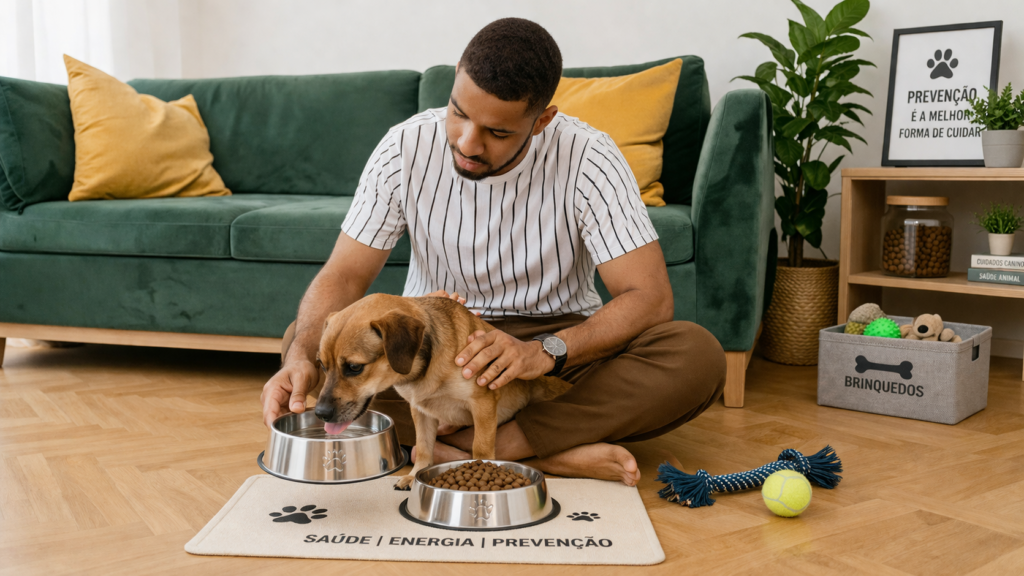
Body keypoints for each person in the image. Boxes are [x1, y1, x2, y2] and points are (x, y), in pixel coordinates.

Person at [261, 17, 726, 486]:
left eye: (497, 132)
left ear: (541, 121)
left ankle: (485, 447)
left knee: (696, 355)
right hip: (429, 345)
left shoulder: (590, 158)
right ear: (454, 81)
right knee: (310, 340)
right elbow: (344, 276)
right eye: (459, 112)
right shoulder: (403, 147)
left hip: (553, 341)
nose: (467, 142)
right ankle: (545, 450)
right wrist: (300, 357)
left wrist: (544, 352)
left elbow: (650, 298)